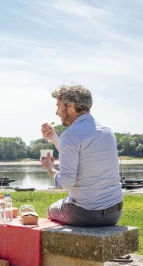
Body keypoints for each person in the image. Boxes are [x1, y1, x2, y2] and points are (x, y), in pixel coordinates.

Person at [39, 85, 123, 227]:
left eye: (58, 106)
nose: (57, 112)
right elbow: (80, 153)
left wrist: (50, 169)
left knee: (51, 210)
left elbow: (66, 183)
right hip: (114, 212)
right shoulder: (107, 131)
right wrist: (54, 138)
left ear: (71, 106)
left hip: (87, 213)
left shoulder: (71, 134)